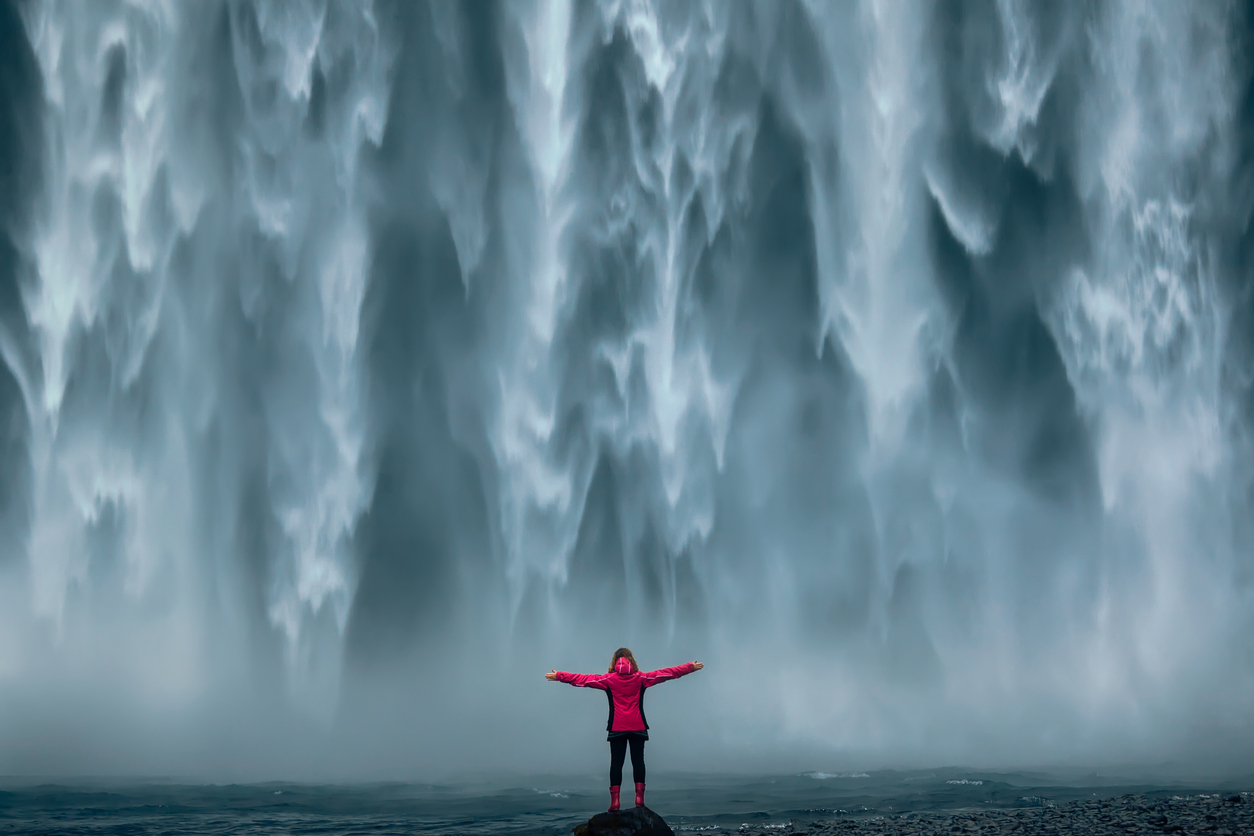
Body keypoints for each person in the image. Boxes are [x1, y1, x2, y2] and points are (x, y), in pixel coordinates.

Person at [546, 647, 704, 811]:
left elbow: (584, 679)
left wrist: (559, 676)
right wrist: (689, 667)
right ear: (632, 661)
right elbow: (667, 673)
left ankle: (615, 802)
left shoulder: (608, 679)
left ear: (614, 662)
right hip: (638, 726)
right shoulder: (641, 678)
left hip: (617, 727)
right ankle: (639, 799)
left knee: (616, 763)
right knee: (638, 762)